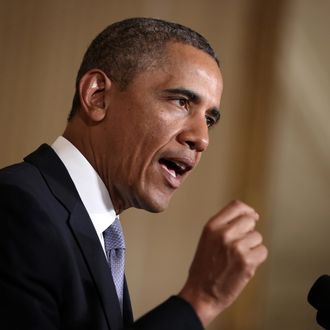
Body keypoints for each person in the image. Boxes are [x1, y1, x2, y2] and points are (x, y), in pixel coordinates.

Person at [0, 17, 267, 330]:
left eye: (209, 119)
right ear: (97, 96)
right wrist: (201, 299)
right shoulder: (17, 208)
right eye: (182, 102)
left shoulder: (97, 231)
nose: (202, 138)